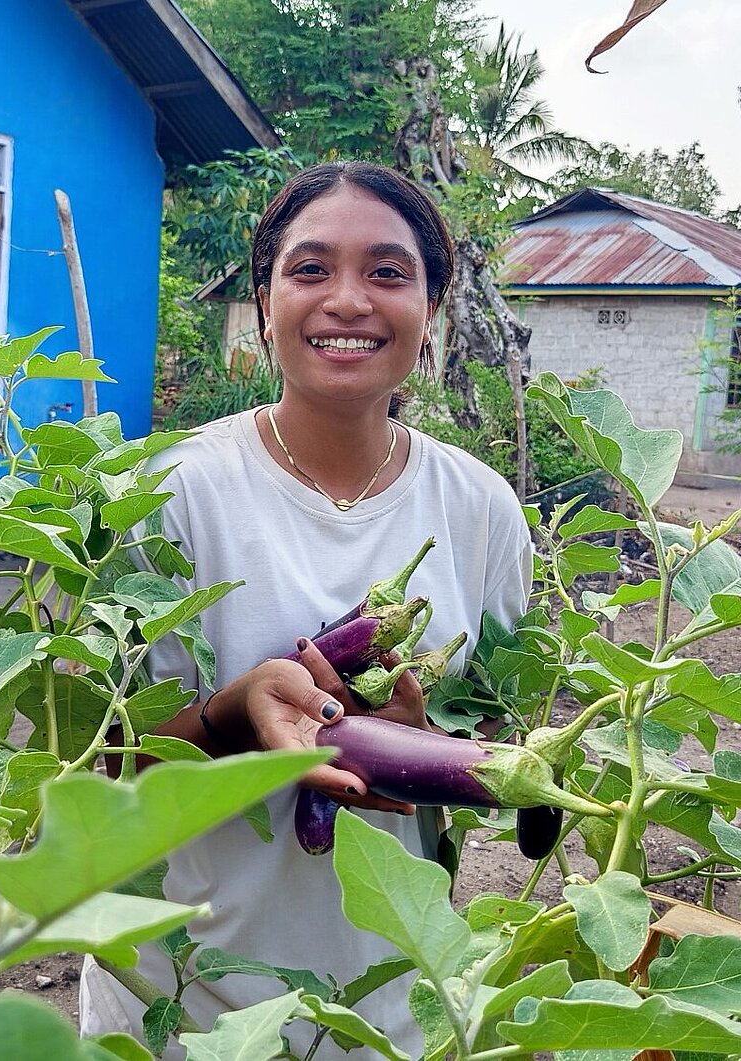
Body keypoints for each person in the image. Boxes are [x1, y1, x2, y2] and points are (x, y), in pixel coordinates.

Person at [80, 161, 533, 1059]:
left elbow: (507, 742)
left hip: (393, 1006)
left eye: (389, 273)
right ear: (264, 301)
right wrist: (229, 718)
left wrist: (428, 739)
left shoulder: (482, 508)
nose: (349, 301)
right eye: (311, 268)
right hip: (176, 1005)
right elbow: (87, 775)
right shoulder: (160, 490)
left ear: (432, 310)